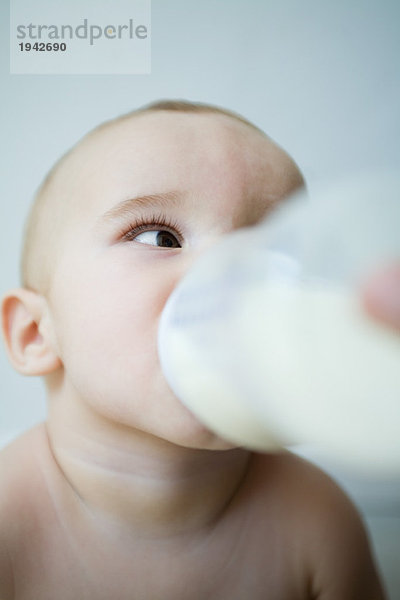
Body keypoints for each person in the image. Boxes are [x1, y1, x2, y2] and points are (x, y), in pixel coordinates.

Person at [0, 100, 387, 599]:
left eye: (273, 248)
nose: (231, 274)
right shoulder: (10, 520)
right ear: (36, 334)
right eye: (160, 236)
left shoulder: (317, 520)